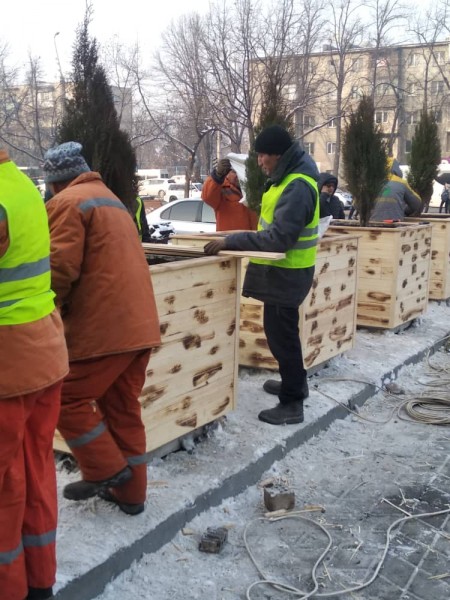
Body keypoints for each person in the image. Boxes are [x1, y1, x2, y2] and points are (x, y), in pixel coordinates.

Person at [43, 141, 161, 516]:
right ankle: (131, 495)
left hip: (104, 330)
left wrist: (45, 314)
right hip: (138, 326)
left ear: (55, 181)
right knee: (122, 409)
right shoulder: (110, 200)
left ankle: (104, 469)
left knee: (65, 397)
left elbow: (59, 269)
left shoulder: (67, 203)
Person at [204, 125, 319, 426]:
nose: (259, 162)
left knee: (283, 339)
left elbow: (278, 238)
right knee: (281, 334)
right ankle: (295, 384)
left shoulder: (296, 186)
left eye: (263, 156)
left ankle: (292, 402)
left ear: (278, 155)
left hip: (287, 273)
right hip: (284, 272)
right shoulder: (288, 179)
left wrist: (233, 241)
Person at [0, 149, 69, 600]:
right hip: (43, 349)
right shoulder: (21, 186)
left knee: (6, 483)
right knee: (35, 468)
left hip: (9, 360)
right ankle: (40, 582)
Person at [201, 159, 258, 231]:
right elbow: (207, 197)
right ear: (227, 173)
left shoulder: (254, 190)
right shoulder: (221, 189)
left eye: (241, 172)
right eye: (234, 172)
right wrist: (217, 175)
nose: (238, 175)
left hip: (253, 236)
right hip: (229, 237)